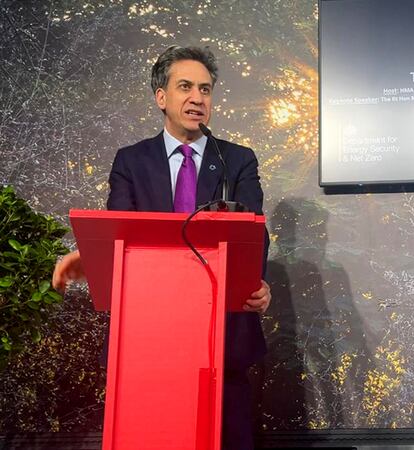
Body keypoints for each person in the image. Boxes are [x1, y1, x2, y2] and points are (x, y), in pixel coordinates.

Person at [52, 46, 270, 450]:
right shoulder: (131, 162)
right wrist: (93, 258)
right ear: (161, 97)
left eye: (205, 89)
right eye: (185, 86)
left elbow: (254, 232)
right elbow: (122, 233)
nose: (197, 98)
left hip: (221, 338)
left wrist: (256, 284)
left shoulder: (237, 160)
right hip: (149, 335)